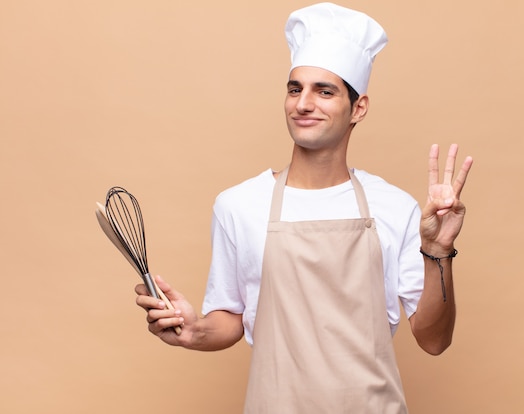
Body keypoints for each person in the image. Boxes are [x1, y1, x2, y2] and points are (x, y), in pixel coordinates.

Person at [135, 2, 473, 413]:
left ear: (358, 108)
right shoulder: (239, 205)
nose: (303, 103)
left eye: (324, 91)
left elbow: (434, 340)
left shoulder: (395, 207)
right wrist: (193, 331)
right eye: (295, 88)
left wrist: (438, 253)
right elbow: (231, 318)